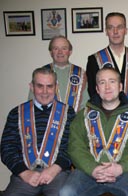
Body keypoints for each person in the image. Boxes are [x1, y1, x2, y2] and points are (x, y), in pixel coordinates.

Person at [59, 67, 128, 196]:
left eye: (112, 81)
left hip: (125, 171)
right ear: (97, 89)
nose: (107, 87)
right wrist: (93, 168)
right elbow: (75, 147)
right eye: (102, 82)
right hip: (88, 172)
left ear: (120, 86)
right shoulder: (83, 115)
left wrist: (120, 167)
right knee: (66, 192)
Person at [1, 67, 76, 196]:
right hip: (24, 174)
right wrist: (24, 172)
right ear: (31, 86)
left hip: (58, 174)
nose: (45, 92)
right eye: (40, 86)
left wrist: (54, 169)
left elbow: (73, 146)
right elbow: (7, 148)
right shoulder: (17, 113)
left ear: (56, 87)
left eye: (49, 86)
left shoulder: (68, 113)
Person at [86, 12, 128, 110]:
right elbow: (93, 91)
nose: (115, 31)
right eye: (111, 27)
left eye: (120, 27)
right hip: (105, 118)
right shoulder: (94, 60)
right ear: (106, 31)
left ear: (125, 30)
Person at [28, 35, 89, 112]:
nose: (60, 52)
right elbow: (31, 101)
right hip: (46, 120)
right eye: (56, 48)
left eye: (64, 48)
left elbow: (86, 103)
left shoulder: (81, 74)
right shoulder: (41, 73)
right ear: (51, 52)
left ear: (70, 52)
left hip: (75, 121)